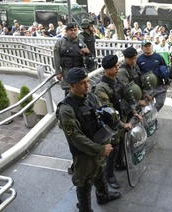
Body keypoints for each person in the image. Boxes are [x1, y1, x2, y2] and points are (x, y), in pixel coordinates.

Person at [56, 67, 121, 211]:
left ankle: (103, 195)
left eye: (87, 81)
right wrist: (100, 149)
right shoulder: (66, 109)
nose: (87, 85)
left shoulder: (91, 97)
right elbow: (76, 138)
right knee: (84, 181)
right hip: (83, 153)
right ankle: (85, 208)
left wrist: (107, 140)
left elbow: (101, 117)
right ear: (72, 86)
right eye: (82, 83)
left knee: (99, 170)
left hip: (99, 143)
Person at [92, 55, 138, 189]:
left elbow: (128, 96)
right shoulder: (101, 88)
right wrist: (123, 125)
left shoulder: (117, 80)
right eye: (114, 67)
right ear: (106, 69)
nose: (118, 68)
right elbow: (107, 113)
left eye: (118, 65)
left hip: (122, 118)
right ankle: (109, 175)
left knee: (121, 144)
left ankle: (120, 163)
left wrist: (134, 111)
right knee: (113, 149)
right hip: (112, 125)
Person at [54, 23, 90, 95]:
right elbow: (56, 57)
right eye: (71, 30)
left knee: (82, 90)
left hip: (79, 70)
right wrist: (58, 72)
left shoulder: (80, 42)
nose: (73, 32)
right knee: (69, 91)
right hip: (67, 71)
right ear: (66, 31)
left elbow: (87, 54)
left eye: (74, 30)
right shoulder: (60, 42)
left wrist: (87, 52)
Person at [137, 39, 168, 112]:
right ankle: (150, 119)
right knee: (147, 106)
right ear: (142, 48)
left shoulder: (158, 57)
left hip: (159, 85)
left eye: (149, 46)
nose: (148, 48)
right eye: (146, 46)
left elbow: (165, 68)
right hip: (146, 87)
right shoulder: (139, 59)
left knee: (160, 103)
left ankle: (153, 114)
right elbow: (137, 73)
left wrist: (167, 82)